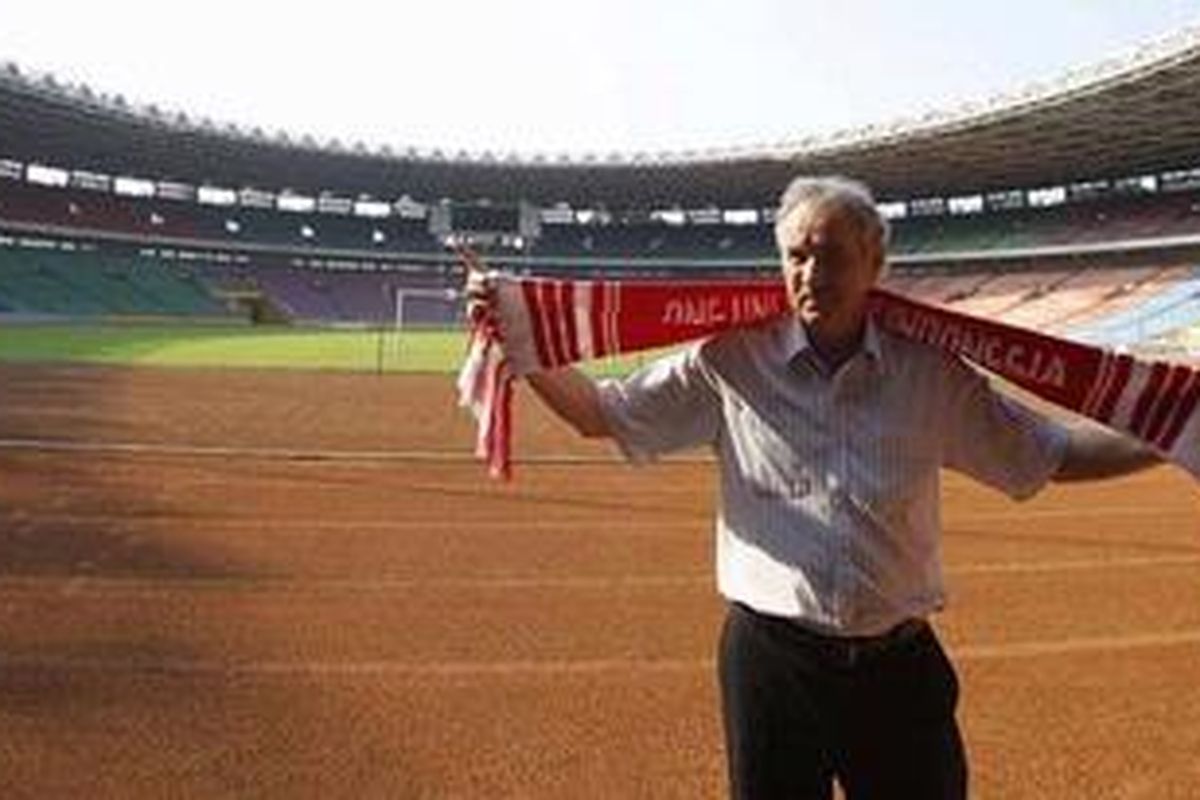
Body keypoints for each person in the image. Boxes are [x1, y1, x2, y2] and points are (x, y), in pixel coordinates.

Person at [467, 175, 1160, 799]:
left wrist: (1175, 433)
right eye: (797, 255)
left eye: (832, 255)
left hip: (899, 669)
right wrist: (518, 340)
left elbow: (1051, 452)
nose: (810, 273)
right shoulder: (730, 361)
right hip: (773, 668)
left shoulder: (930, 374)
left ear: (875, 265)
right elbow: (601, 414)